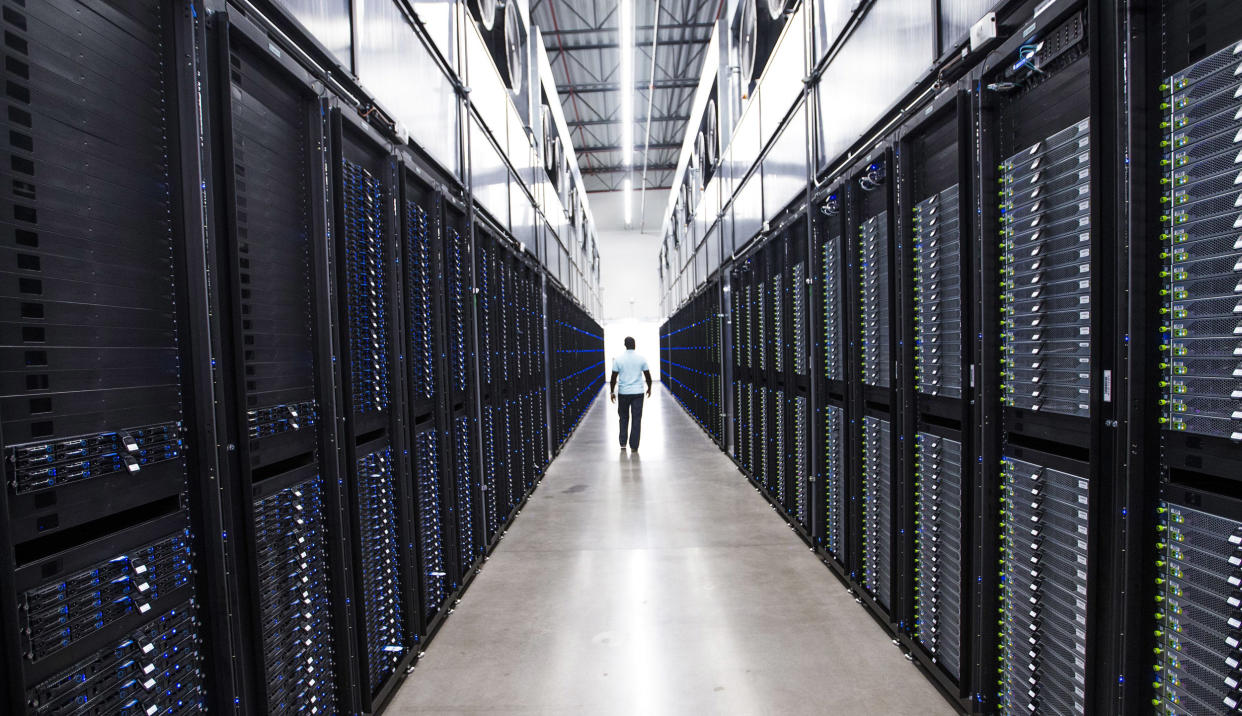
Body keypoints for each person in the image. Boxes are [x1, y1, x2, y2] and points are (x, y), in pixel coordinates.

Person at [610, 336, 652, 451]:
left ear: (625, 345)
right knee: (636, 418)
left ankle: (623, 442)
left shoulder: (618, 360)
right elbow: (648, 376)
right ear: (635, 344)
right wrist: (649, 388)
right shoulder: (641, 359)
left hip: (623, 393)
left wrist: (612, 392)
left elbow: (613, 378)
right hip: (638, 393)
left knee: (623, 417)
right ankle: (634, 446)